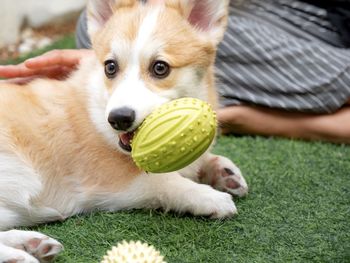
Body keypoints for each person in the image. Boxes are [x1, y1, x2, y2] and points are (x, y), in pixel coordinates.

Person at [0, 0, 350, 144]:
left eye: (159, 67)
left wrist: (235, 117)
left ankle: (133, 62)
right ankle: (124, 60)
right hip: (276, 6)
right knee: (93, 25)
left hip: (329, 31)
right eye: (110, 67)